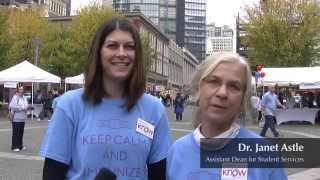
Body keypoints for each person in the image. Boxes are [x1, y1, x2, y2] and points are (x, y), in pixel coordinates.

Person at [40, 17, 171, 180]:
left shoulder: (154, 109)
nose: (122, 53)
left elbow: (159, 174)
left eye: (130, 47)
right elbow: (52, 173)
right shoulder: (70, 105)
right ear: (98, 52)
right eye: (112, 46)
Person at [166, 53, 287, 180]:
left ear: (242, 100)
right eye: (214, 82)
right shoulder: (176, 152)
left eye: (234, 86)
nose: (222, 93)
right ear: (198, 90)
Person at [9, 86, 29, 152]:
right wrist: (22, 108)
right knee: (16, 133)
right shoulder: (15, 97)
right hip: (16, 118)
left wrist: (27, 108)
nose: (21, 90)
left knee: (21, 133)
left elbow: (26, 105)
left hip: (22, 118)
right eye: (20, 89)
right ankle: (14, 146)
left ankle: (20, 145)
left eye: (22, 89)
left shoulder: (24, 97)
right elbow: (13, 107)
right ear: (18, 90)